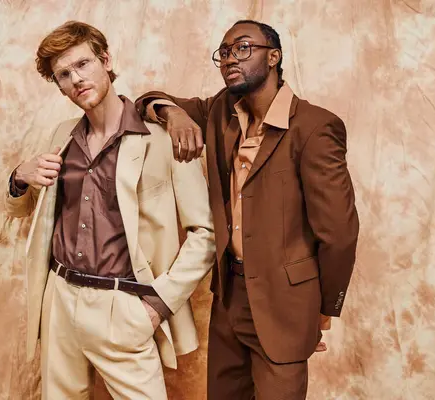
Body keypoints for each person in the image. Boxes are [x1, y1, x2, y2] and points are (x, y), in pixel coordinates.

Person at [135, 19, 359, 400]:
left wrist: (322, 308)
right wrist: (172, 114)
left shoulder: (315, 127)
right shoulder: (222, 111)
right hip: (230, 298)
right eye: (223, 53)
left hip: (285, 305)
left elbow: (339, 233)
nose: (229, 59)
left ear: (274, 57)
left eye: (242, 48)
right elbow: (147, 102)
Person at [4, 21, 216, 400]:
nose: (76, 80)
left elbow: (206, 234)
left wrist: (157, 304)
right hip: (60, 297)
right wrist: (19, 178)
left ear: (105, 60)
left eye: (83, 65)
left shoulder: (165, 138)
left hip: (125, 305)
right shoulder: (61, 136)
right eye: (63, 75)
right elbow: (30, 212)